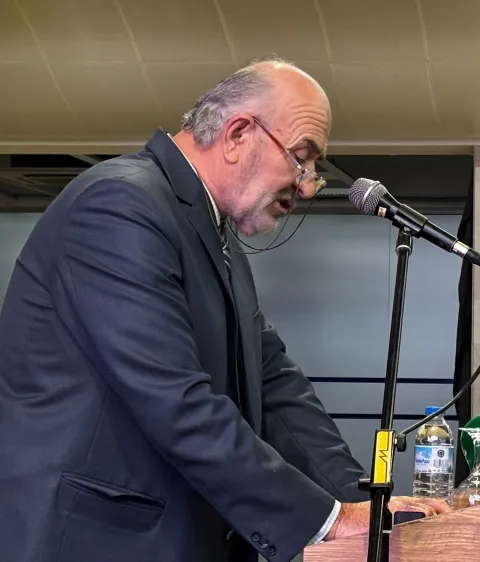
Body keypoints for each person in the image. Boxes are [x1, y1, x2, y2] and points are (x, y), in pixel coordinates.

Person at [0, 56, 450, 562]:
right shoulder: (120, 206)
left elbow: (276, 386)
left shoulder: (216, 236)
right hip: (96, 542)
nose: (306, 185)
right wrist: (328, 520)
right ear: (237, 135)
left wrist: (360, 504)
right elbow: (176, 402)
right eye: (301, 159)